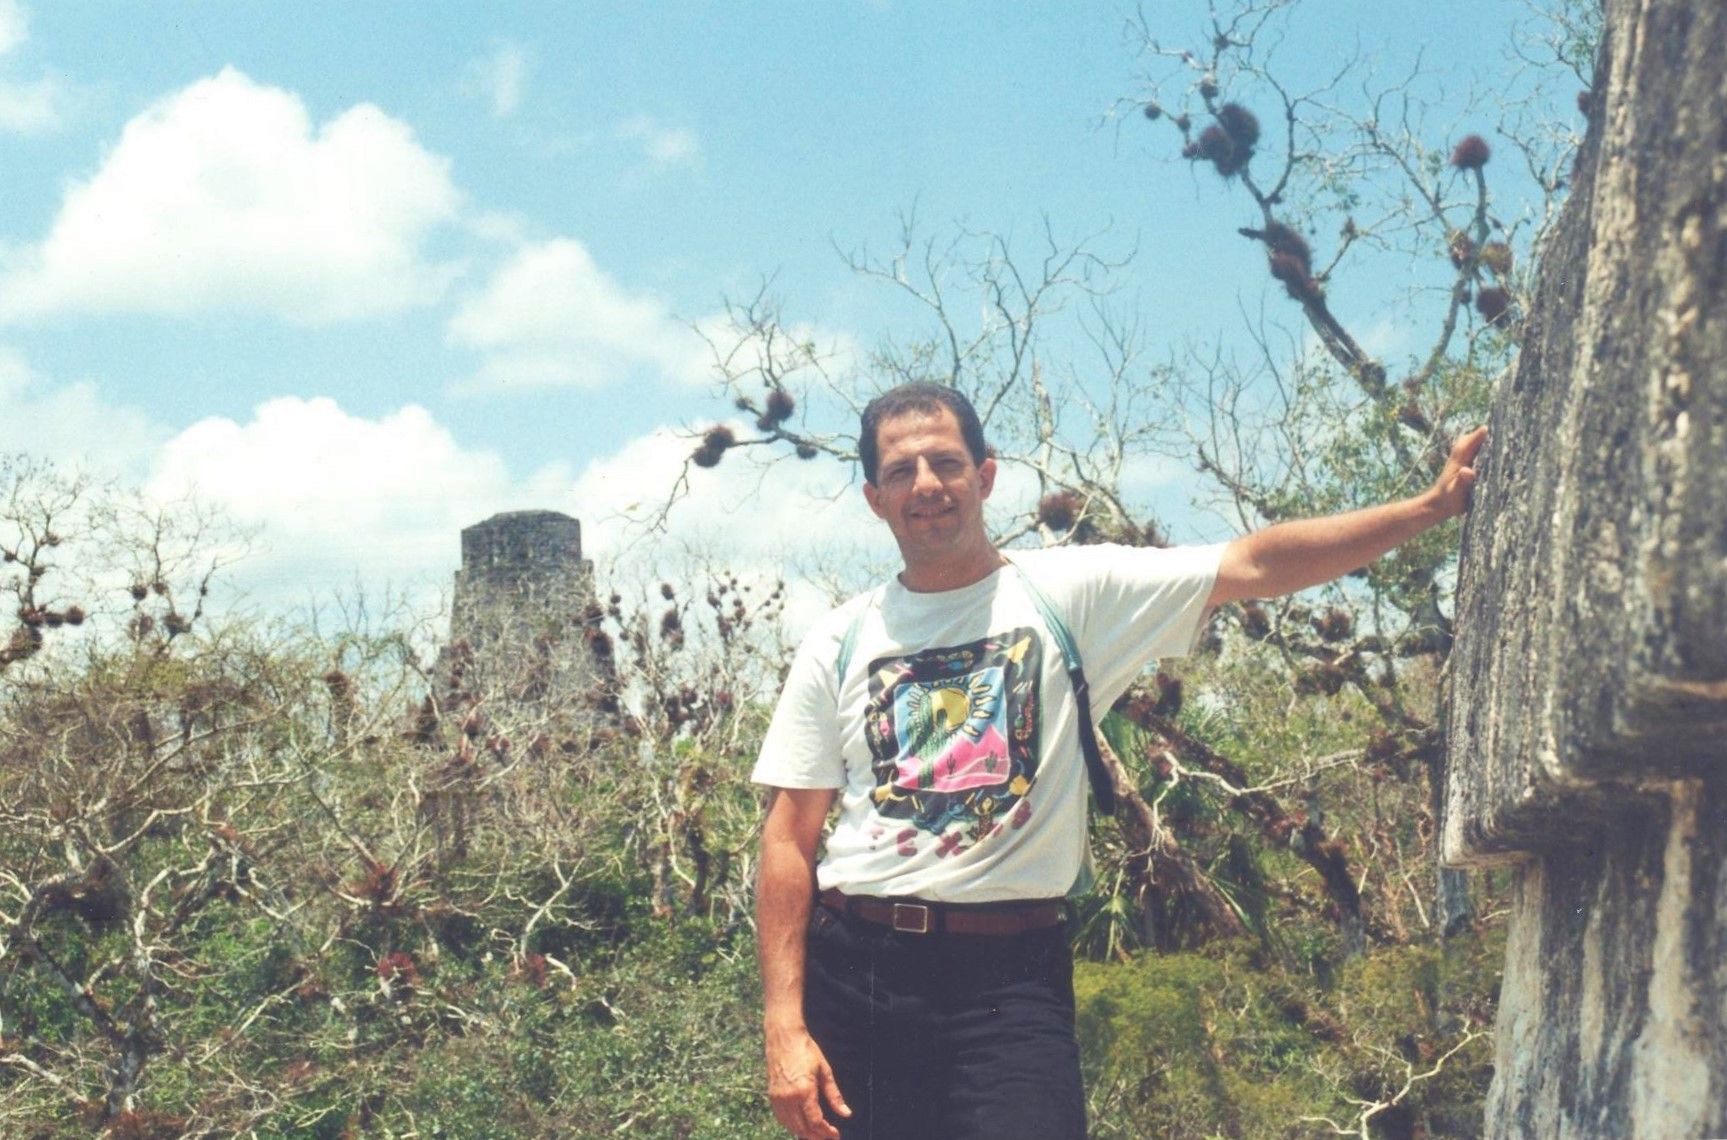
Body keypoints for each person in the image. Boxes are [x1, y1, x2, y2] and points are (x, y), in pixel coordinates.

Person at [753, 382, 1485, 1140]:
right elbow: (787, 836)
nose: (926, 485)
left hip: (1009, 978)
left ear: (986, 476)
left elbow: (1253, 563)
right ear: (875, 498)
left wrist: (1426, 508)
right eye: (901, 471)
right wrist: (783, 1024)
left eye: (945, 462)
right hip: (859, 973)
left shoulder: (1070, 593)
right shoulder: (839, 638)